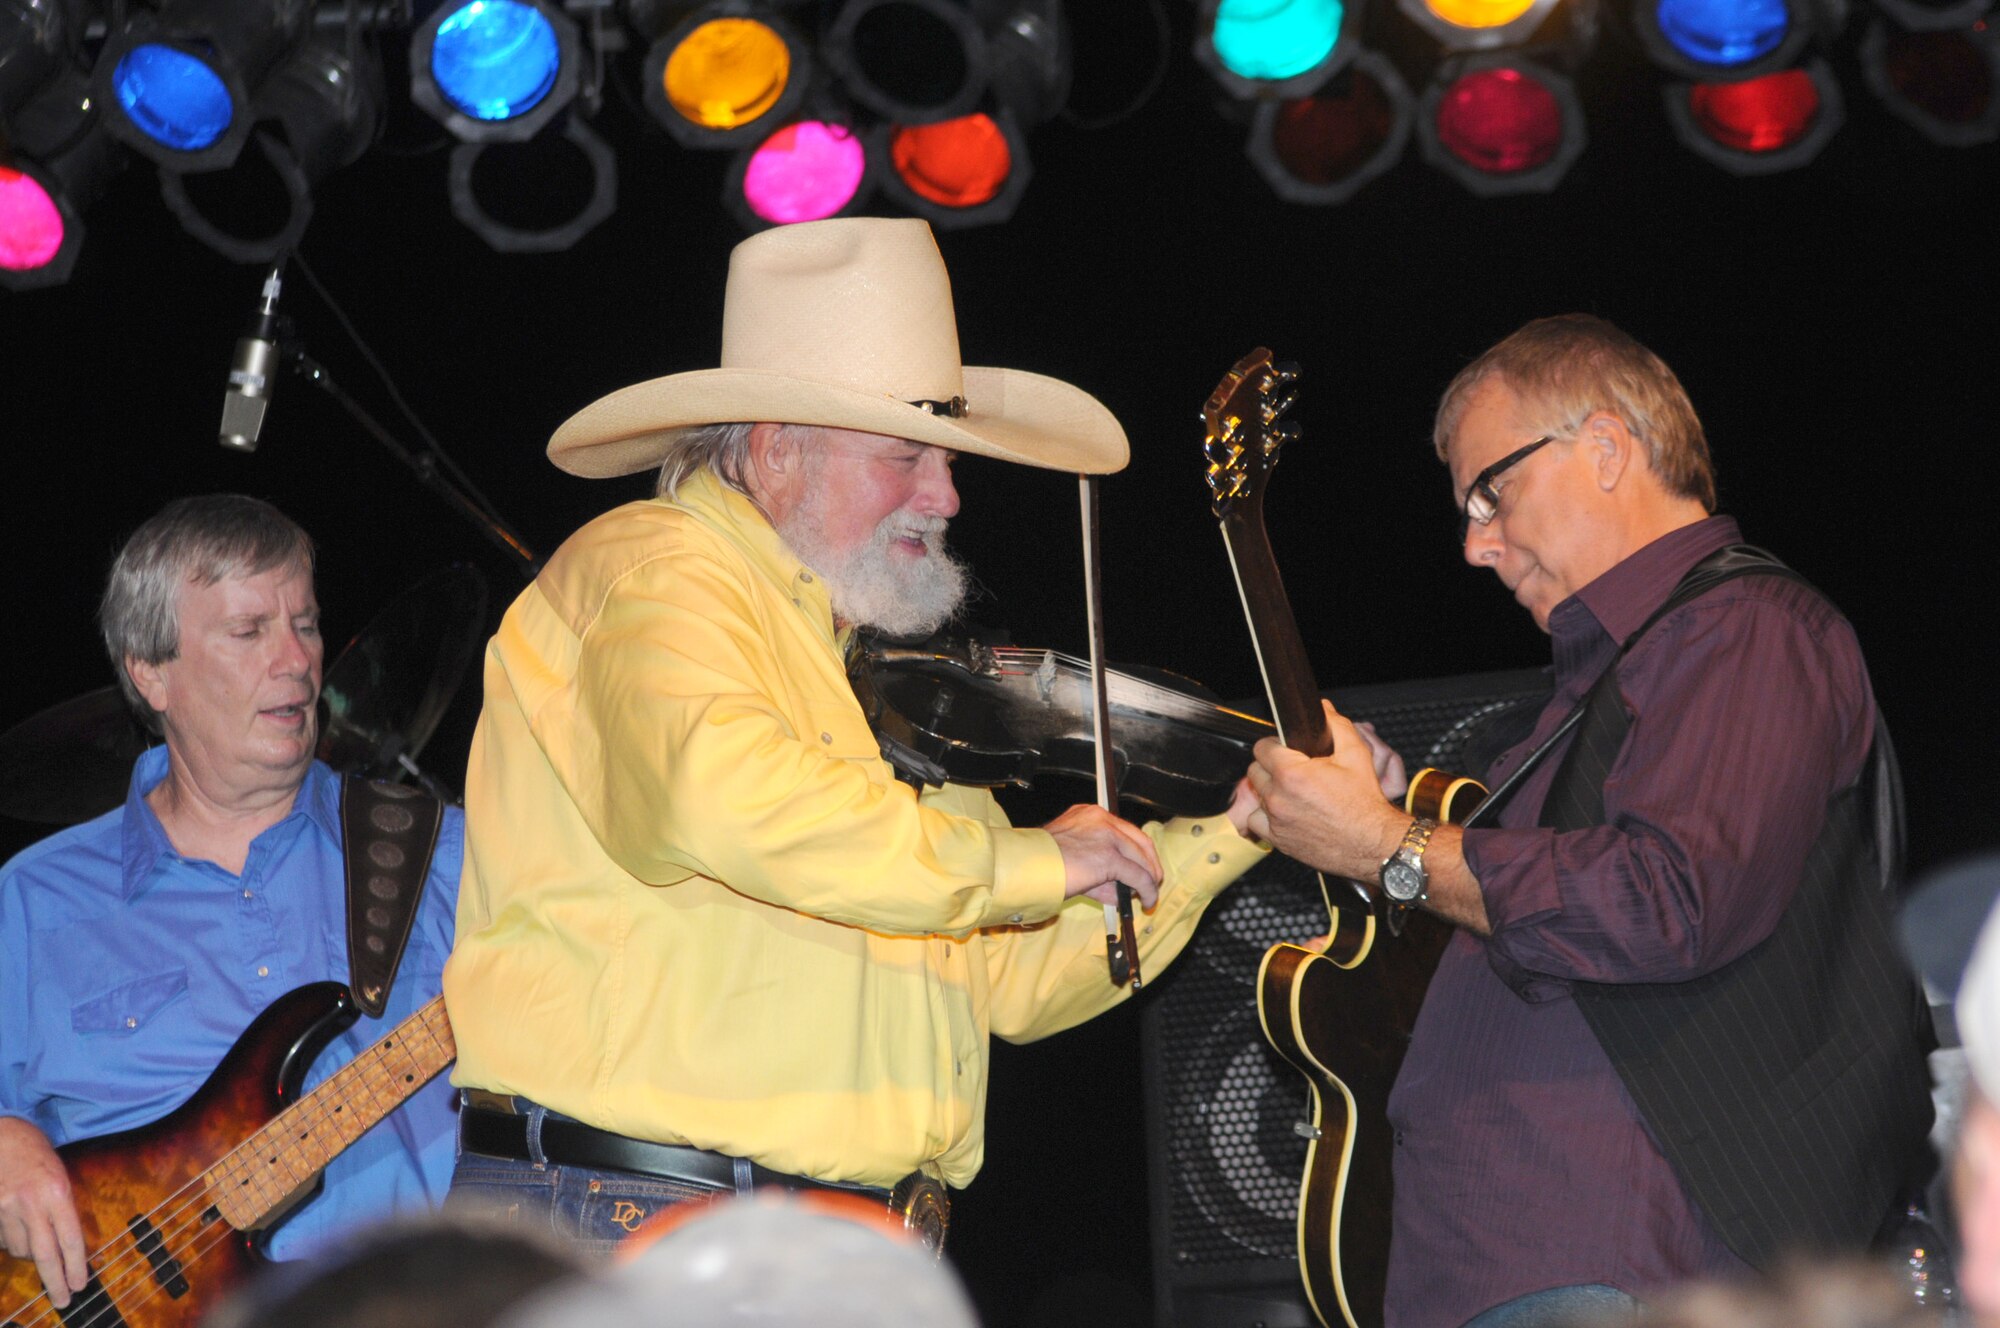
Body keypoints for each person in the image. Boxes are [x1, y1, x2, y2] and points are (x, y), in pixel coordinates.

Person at [442, 217, 1263, 1251]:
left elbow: (1003, 978)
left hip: (829, 1243)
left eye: (947, 458)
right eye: (906, 454)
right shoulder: (659, 568)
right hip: (644, 1220)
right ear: (777, 447)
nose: (947, 494)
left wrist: (1231, 824)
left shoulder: (876, 683)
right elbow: (722, 792)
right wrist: (1026, 857)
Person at [1246, 315, 1935, 1328]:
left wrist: (1384, 843)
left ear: (1604, 448)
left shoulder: (1741, 628)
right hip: (1511, 1260)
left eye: (1491, 490)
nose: (1474, 543)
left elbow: (1668, 897)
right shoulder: (1588, 699)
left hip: (1620, 1252)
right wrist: (1392, 817)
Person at [0, 495, 462, 1309]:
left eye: (307, 625)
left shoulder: (441, 852)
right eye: (249, 632)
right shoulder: (36, 900)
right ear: (151, 672)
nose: (297, 660)